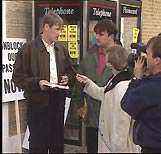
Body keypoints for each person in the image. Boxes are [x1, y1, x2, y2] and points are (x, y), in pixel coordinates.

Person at [12, 12, 75, 153]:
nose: (60, 33)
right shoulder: (27, 49)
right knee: (38, 144)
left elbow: (71, 71)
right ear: (46, 27)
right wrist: (37, 83)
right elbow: (18, 77)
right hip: (38, 104)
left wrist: (68, 78)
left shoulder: (62, 50)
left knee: (57, 144)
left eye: (61, 30)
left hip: (58, 103)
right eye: (57, 29)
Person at [76, 45, 140, 153]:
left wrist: (117, 148)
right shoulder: (116, 79)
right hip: (112, 143)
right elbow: (103, 94)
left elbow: (122, 120)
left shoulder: (122, 85)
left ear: (112, 62)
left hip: (119, 146)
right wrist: (88, 83)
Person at [70, 19, 117, 153]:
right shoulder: (89, 57)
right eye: (96, 34)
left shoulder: (123, 57)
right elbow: (79, 80)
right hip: (92, 117)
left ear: (111, 36)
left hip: (113, 117)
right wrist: (79, 104)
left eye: (101, 34)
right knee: (93, 148)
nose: (97, 37)